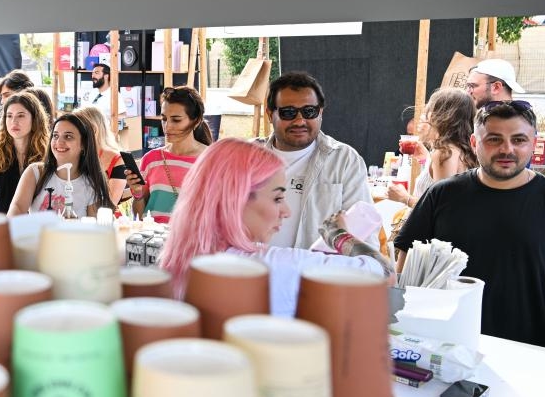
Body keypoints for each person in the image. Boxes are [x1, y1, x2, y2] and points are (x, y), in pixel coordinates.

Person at [394, 101, 545, 351]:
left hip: (530, 348)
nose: (506, 149)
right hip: (445, 345)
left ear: (533, 144)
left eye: (519, 140)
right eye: (494, 139)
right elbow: (407, 260)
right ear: (474, 143)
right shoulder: (442, 195)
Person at [159, 138, 392, 315]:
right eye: (277, 199)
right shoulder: (271, 266)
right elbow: (384, 274)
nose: (286, 211)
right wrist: (337, 235)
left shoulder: (180, 260)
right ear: (236, 200)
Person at [263, 71, 371, 249]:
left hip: (319, 273)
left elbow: (364, 234)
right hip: (257, 270)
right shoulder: (248, 158)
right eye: (288, 112)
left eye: (309, 111)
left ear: (320, 113)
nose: (300, 121)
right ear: (270, 114)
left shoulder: (344, 161)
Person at [124, 86, 213, 223]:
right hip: (151, 240)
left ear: (196, 121)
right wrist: (137, 194)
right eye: (164, 118)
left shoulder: (211, 160)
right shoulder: (151, 159)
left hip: (190, 241)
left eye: (176, 120)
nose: (167, 126)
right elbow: (140, 218)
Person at [6, 111, 113, 217]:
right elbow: (17, 210)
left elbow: (92, 229)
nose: (59, 142)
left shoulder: (91, 185)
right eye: (55, 136)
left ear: (84, 145)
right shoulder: (35, 172)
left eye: (68, 137)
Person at [388, 88, 478, 207]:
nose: (424, 116)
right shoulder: (465, 148)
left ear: (442, 116)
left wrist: (404, 198)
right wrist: (426, 158)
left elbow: (441, 207)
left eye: (430, 110)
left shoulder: (445, 152)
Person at [0, 92, 50, 213]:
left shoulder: (47, 152)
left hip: (36, 226)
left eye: (21, 116)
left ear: (35, 118)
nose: (14, 121)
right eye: (9, 116)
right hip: (2, 226)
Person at [74, 105, 127, 204]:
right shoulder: (76, 154)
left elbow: (110, 203)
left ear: (93, 129)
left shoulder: (118, 160)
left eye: (77, 129)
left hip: (104, 217)